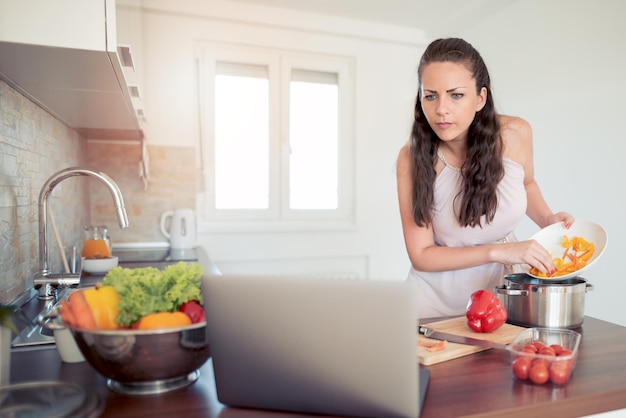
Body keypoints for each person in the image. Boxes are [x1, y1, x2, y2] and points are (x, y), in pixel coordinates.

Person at [396, 38, 574, 318]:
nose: (441, 109)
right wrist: (498, 252)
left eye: (456, 95)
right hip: (433, 308)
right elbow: (422, 255)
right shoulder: (412, 159)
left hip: (500, 299)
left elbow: (525, 183)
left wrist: (547, 219)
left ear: (480, 98)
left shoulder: (515, 134)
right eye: (431, 95)